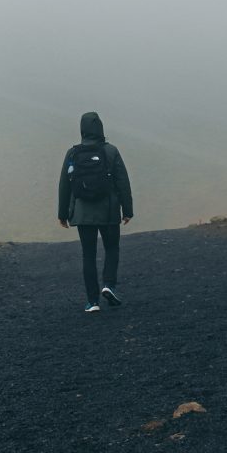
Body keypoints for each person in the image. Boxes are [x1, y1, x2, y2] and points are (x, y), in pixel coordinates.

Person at [57, 111, 134, 312]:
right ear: (100, 128)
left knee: (88, 255)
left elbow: (64, 185)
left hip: (82, 213)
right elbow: (122, 182)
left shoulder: (73, 153)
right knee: (111, 248)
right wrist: (127, 210)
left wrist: (62, 213)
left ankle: (92, 302)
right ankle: (109, 285)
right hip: (108, 211)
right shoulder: (111, 151)